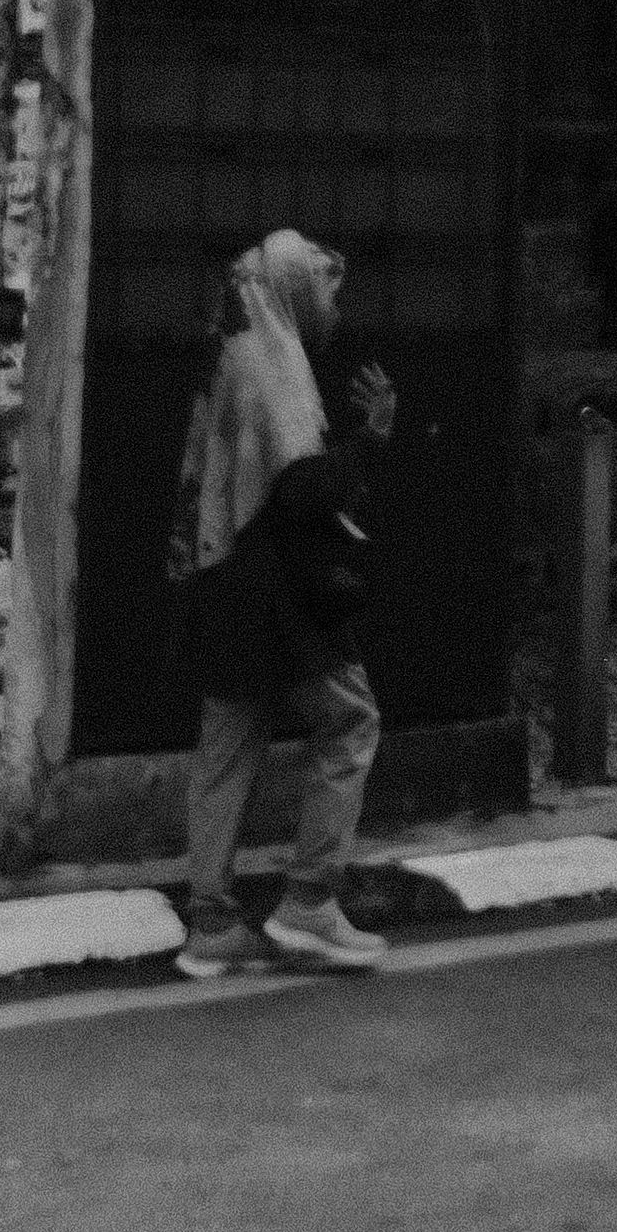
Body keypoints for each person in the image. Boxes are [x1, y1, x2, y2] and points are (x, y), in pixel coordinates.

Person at [168, 230, 396, 978]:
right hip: (274, 586)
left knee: (228, 748)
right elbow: (303, 492)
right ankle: (309, 900)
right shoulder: (275, 362)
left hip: (223, 574)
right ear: (297, 288)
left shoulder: (236, 348)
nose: (335, 308)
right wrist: (370, 441)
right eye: (329, 290)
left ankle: (210, 923)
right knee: (352, 721)